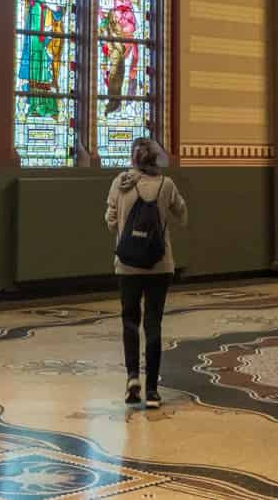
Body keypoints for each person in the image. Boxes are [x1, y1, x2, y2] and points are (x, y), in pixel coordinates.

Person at [104, 137, 188, 410]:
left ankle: (132, 379)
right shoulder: (167, 185)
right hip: (159, 265)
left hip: (127, 265)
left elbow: (111, 221)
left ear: (133, 158)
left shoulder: (120, 182)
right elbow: (182, 215)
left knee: (129, 321)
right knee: (153, 323)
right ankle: (152, 390)